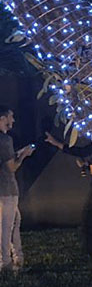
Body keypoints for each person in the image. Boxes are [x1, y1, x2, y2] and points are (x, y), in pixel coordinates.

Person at [0, 106, 34, 272]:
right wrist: (23, 155)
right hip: (6, 189)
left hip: (4, 189)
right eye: (10, 117)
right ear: (2, 119)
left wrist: (17, 153)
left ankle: (17, 259)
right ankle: (6, 264)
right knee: (6, 227)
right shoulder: (5, 140)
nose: (13, 120)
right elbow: (11, 167)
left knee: (14, 221)